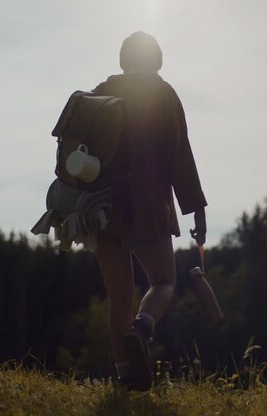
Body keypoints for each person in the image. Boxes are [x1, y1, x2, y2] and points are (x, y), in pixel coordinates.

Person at [91, 31, 207, 391]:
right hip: (149, 206)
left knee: (119, 295)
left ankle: (127, 377)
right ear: (156, 60)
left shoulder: (100, 91)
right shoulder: (164, 94)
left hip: (103, 207)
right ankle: (141, 329)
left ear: (124, 59)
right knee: (163, 281)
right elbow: (180, 156)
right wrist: (197, 211)